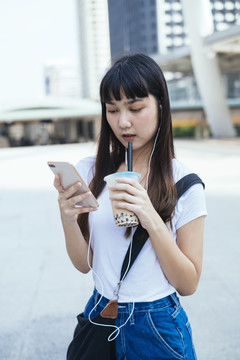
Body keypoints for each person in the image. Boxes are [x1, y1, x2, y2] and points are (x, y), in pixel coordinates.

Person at [54, 53, 207, 359]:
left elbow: (188, 283)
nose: (123, 121)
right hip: (102, 311)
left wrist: (150, 216)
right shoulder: (90, 172)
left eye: (135, 108)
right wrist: (68, 218)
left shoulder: (185, 183)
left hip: (157, 324)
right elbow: (85, 264)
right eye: (112, 110)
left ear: (160, 106)